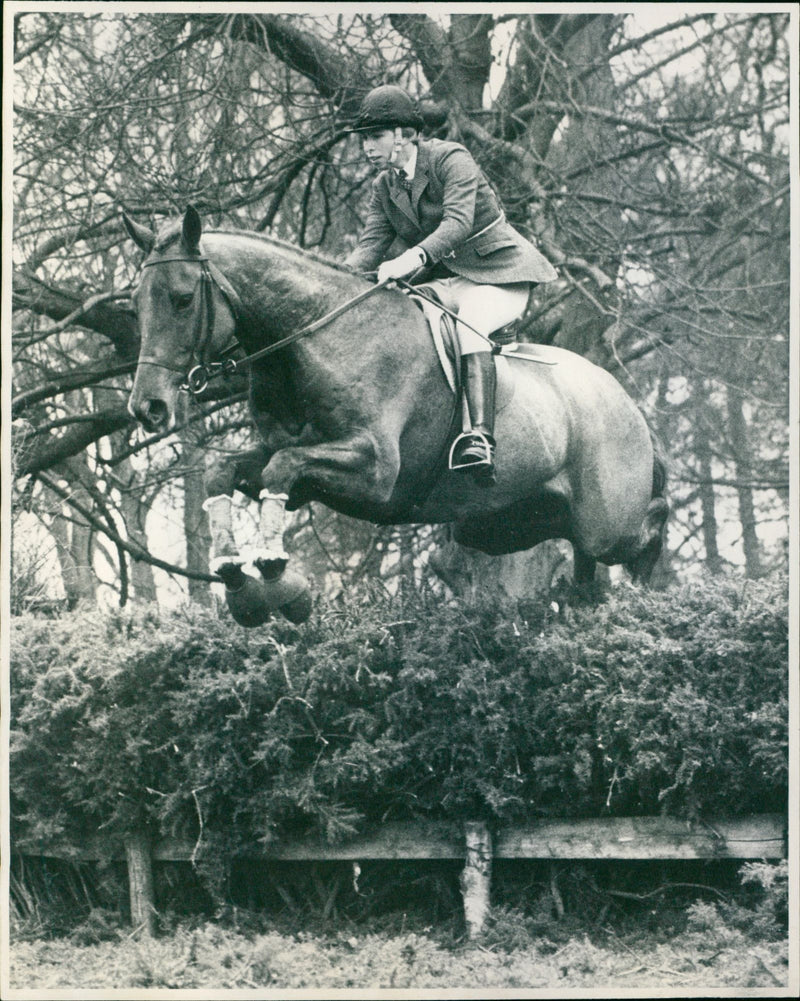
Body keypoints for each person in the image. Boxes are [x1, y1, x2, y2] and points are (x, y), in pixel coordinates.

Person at [345, 84, 557, 485]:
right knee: (401, 314)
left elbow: (457, 223)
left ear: (405, 134)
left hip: (500, 274)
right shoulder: (384, 188)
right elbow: (368, 249)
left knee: (470, 321)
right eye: (363, 138)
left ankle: (479, 437)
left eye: (375, 136)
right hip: (449, 282)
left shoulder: (450, 159)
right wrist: (334, 282)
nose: (367, 147)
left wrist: (411, 259)